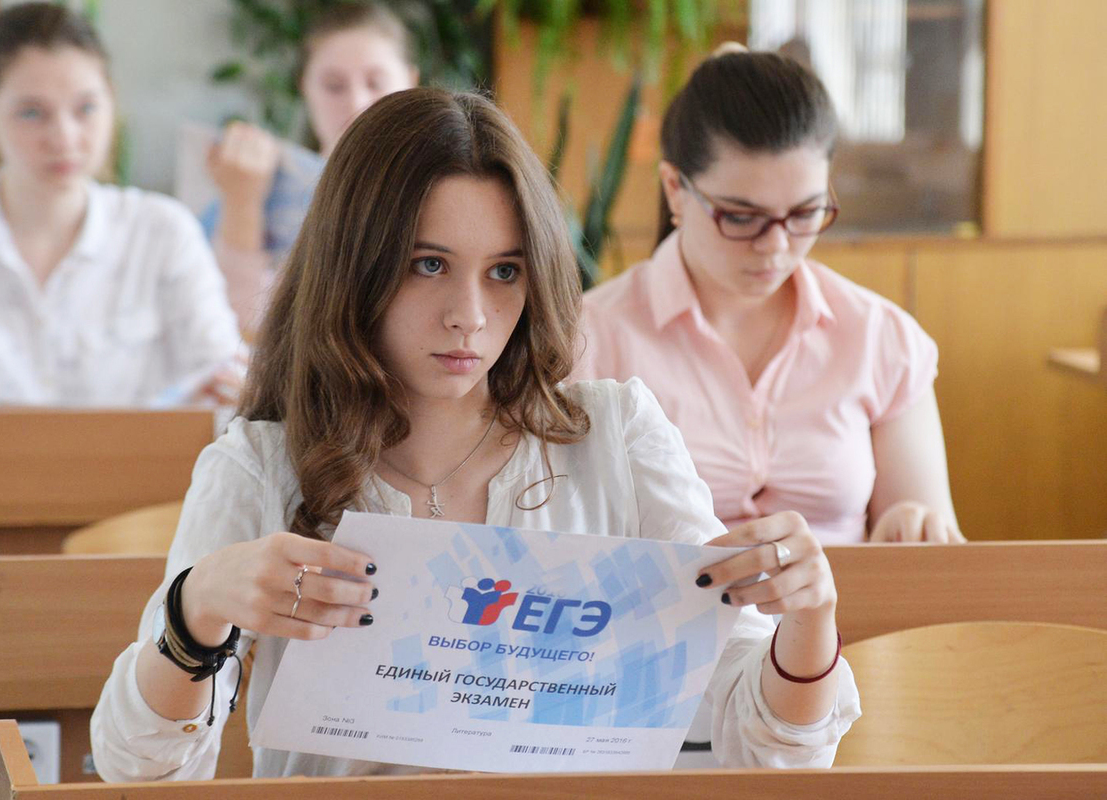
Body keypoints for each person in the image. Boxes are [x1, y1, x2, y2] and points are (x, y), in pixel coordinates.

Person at [91, 87, 859, 781]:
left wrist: (810, 619)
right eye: (429, 265)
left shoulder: (615, 439)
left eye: (504, 271)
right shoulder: (262, 466)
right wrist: (198, 609)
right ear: (354, 266)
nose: (470, 315)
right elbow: (140, 768)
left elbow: (772, 749)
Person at [577, 46, 963, 545]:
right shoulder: (588, 338)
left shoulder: (879, 338)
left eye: (805, 213)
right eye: (741, 217)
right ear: (675, 189)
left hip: (846, 598)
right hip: (660, 599)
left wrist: (910, 525)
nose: (776, 246)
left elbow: (931, 546)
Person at [0, 2, 242, 411]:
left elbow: (225, 376)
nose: (64, 137)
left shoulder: (161, 232)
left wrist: (241, 388)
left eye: (86, 108)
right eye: (32, 113)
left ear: (111, 102)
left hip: (140, 457)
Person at [202, 1, 420, 332]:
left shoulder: (442, 193)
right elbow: (226, 330)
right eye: (334, 86)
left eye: (376, 83)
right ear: (305, 86)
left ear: (411, 82)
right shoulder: (247, 184)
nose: (357, 102)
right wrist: (241, 203)